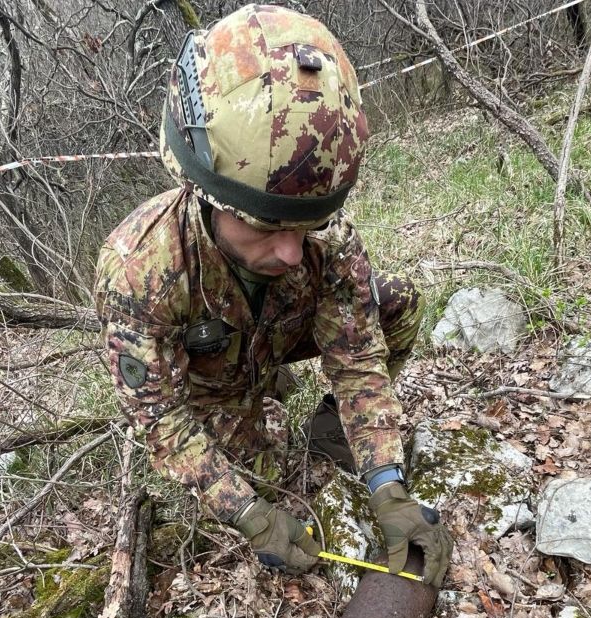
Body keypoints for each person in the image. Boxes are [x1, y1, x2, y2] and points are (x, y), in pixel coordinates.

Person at [94, 4, 452, 587]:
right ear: (206, 195)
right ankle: (264, 406)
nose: (291, 253)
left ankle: (330, 430)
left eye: (305, 226)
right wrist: (246, 513)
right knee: (269, 473)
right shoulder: (140, 273)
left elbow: (358, 355)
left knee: (398, 302)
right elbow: (161, 419)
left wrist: (387, 483)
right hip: (214, 380)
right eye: (265, 228)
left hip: (284, 334)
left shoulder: (324, 238)